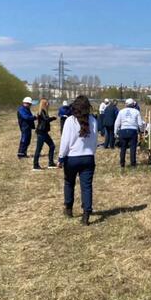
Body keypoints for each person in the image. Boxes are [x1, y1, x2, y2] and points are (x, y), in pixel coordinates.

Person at [58, 95, 98, 226]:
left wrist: (61, 157)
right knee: (86, 186)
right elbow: (95, 140)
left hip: (72, 158)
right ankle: (86, 214)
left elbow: (65, 141)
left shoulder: (70, 120)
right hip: (88, 157)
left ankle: (68, 209)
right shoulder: (93, 120)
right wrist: (91, 152)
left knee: (69, 183)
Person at [114, 98, 146, 168]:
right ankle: (133, 164)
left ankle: (122, 163)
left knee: (123, 148)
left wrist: (115, 132)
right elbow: (140, 123)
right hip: (133, 130)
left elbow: (117, 123)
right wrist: (141, 131)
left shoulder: (121, 111)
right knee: (133, 148)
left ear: (126, 104)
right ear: (133, 104)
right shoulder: (136, 111)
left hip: (123, 130)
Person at [33, 98, 57, 170]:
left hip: (44, 132)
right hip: (41, 132)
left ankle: (51, 163)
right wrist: (52, 118)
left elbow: (46, 119)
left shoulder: (44, 112)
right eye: (47, 103)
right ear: (44, 104)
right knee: (39, 149)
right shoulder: (42, 112)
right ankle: (35, 165)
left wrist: (51, 118)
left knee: (52, 146)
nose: (48, 104)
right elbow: (46, 120)